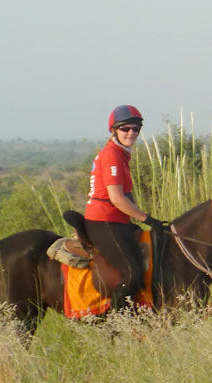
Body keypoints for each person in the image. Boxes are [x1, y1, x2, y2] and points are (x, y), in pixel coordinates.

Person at [85, 105, 168, 312]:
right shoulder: (112, 155)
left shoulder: (121, 154)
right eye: (125, 128)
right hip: (103, 221)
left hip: (118, 221)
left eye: (136, 129)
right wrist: (147, 219)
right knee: (132, 272)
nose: (131, 132)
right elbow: (116, 198)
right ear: (114, 130)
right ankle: (114, 322)